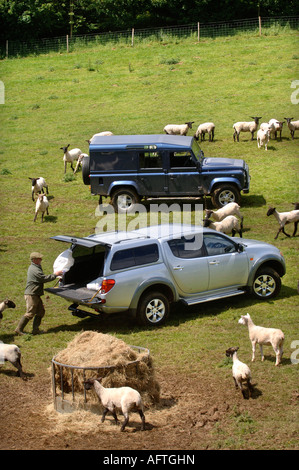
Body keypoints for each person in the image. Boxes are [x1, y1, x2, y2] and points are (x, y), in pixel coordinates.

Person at [15, 252, 63, 335]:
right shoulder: (34, 269)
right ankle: (19, 329)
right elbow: (42, 278)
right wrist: (55, 275)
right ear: (34, 260)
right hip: (32, 294)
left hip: (35, 294)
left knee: (41, 311)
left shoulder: (36, 267)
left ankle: (35, 330)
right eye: (39, 259)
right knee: (30, 313)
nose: (41, 260)